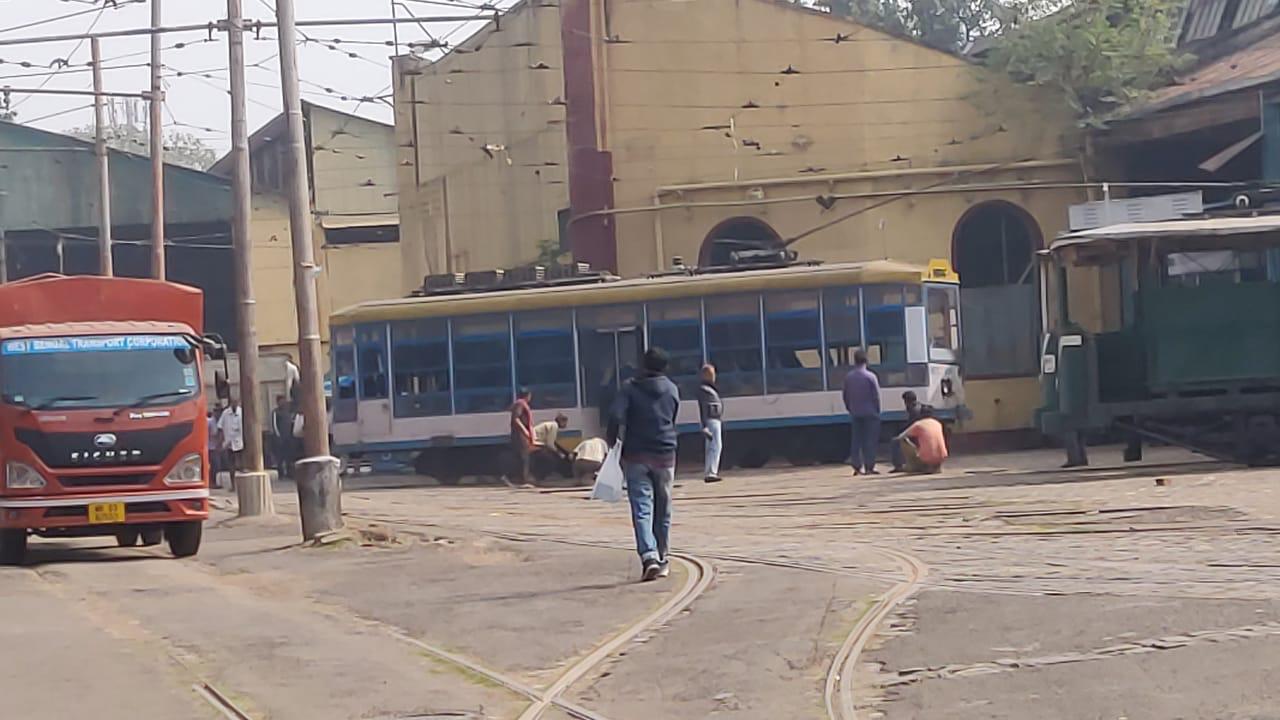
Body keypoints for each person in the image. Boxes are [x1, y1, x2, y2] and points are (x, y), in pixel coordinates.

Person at [607, 347, 680, 582]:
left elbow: (616, 417)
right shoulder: (672, 389)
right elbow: (672, 416)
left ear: (643, 364)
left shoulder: (629, 388)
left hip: (637, 455)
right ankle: (663, 558)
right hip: (665, 454)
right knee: (664, 508)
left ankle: (649, 557)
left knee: (642, 509)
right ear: (665, 367)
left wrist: (613, 444)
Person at [842, 349, 882, 476]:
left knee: (856, 441)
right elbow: (876, 396)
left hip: (855, 412)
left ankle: (857, 467)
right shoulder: (871, 377)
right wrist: (877, 410)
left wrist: (850, 408)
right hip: (870, 413)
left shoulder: (849, 377)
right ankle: (869, 467)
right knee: (870, 440)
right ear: (866, 360)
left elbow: (845, 396)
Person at [894, 405, 948, 474]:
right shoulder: (937, 423)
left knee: (903, 441)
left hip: (927, 458)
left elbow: (901, 436)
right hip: (942, 456)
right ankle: (936, 467)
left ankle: (917, 466)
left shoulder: (918, 424)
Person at [697, 364, 724, 484]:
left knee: (714, 446)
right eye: (710, 374)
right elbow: (702, 407)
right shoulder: (704, 389)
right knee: (714, 446)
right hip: (711, 420)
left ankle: (711, 471)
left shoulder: (710, 388)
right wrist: (704, 425)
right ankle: (711, 472)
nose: (714, 376)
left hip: (715, 419)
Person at [891, 390, 925, 473]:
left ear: (907, 401)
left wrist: (901, 433)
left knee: (895, 442)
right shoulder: (920, 406)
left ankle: (899, 466)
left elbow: (912, 425)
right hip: (922, 432)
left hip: (917, 434)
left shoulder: (913, 410)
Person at [508, 388, 535, 485]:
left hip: (521, 435)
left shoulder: (521, 404)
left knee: (522, 457)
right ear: (528, 395)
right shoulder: (520, 404)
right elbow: (516, 418)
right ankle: (523, 480)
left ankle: (520, 478)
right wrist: (525, 431)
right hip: (520, 435)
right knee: (524, 457)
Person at [218, 398, 245, 486]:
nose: (235, 404)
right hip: (228, 442)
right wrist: (220, 441)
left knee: (241, 465)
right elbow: (220, 427)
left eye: (236, 403)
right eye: (233, 403)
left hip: (240, 441)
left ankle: (242, 485)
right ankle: (233, 484)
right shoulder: (225, 413)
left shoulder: (241, 412)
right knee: (231, 464)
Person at [271, 395, 294, 479]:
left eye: (284, 401)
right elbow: (274, 425)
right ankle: (281, 474)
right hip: (280, 438)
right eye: (281, 401)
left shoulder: (288, 411)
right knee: (280, 457)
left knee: (288, 456)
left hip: (288, 437)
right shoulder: (275, 412)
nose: (283, 403)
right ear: (277, 402)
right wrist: (278, 436)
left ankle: (288, 473)